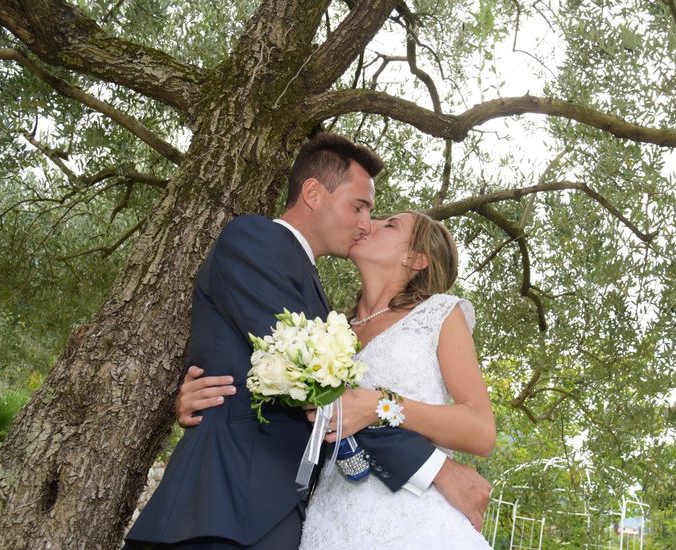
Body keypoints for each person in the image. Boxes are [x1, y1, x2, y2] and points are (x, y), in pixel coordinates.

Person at [125, 133, 490, 549]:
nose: (366, 224)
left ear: (416, 259)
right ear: (313, 193)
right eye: (359, 207)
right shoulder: (256, 241)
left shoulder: (329, 304)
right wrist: (435, 469)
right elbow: (313, 379)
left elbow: (321, 387)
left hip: (297, 510)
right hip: (228, 502)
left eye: (379, 218)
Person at [297, 211, 495, 548]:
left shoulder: (439, 315)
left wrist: (380, 405)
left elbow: (481, 431)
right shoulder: (329, 329)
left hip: (413, 520)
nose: (367, 223)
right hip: (329, 517)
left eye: (390, 225)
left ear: (415, 259)